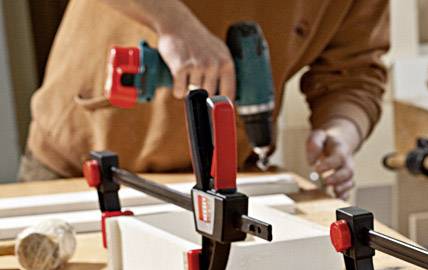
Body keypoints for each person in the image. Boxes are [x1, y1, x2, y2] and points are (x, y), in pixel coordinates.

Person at [21, 0, 390, 199]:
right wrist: (174, 23)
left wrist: (341, 132)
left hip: (226, 181)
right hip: (76, 166)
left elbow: (355, 72)